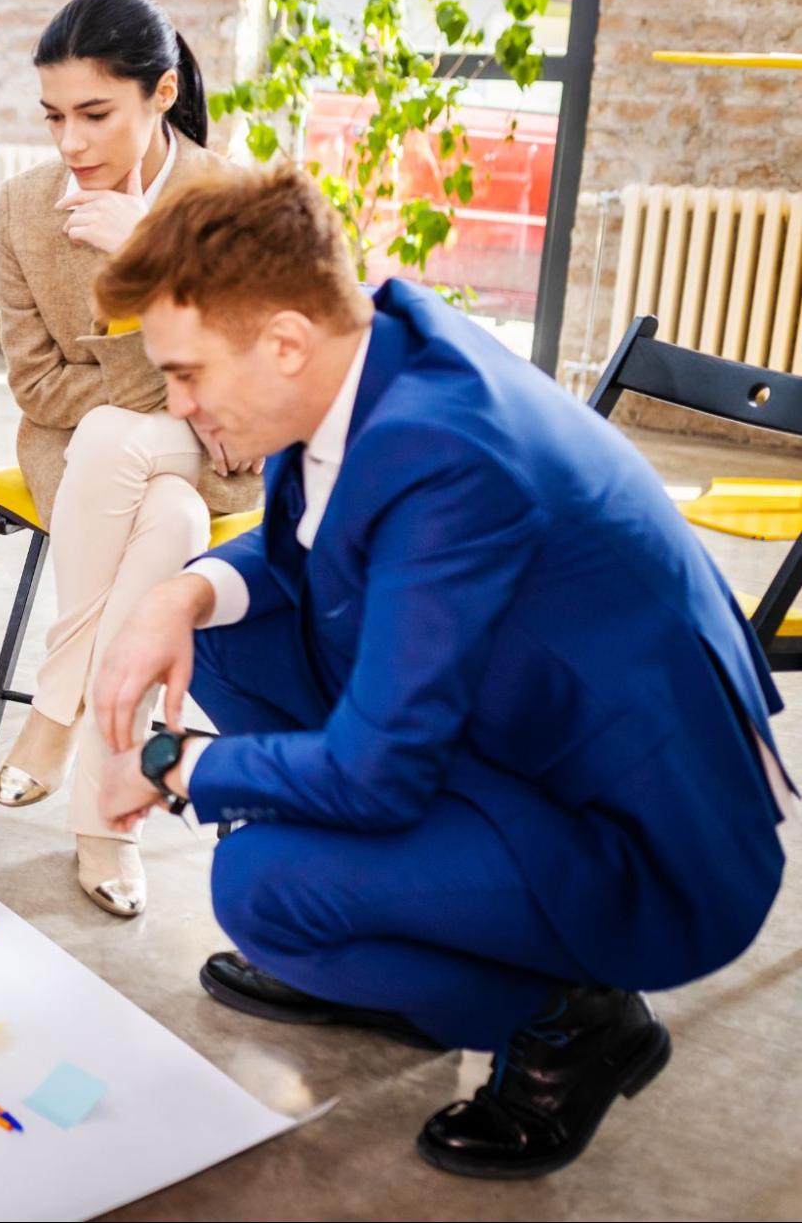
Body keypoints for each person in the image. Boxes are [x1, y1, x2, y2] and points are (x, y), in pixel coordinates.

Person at [87, 162, 796, 1178]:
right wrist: (183, 594)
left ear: (284, 340)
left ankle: (571, 1017)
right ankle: (403, 936)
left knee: (262, 888)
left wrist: (172, 763)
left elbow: (378, 775)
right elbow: (300, 545)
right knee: (230, 630)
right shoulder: (368, 347)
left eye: (187, 372)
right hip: (532, 739)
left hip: (649, 847)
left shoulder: (443, 455)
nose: (176, 400)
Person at [0, 0, 261, 917]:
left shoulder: (227, 200)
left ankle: (57, 708)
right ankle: (110, 818)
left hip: (216, 448)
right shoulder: (27, 207)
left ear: (161, 92)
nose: (70, 143)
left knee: (134, 444)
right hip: (81, 456)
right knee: (161, 505)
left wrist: (143, 264)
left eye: (95, 113)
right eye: (54, 115)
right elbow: (37, 386)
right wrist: (159, 388)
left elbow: (236, 390)